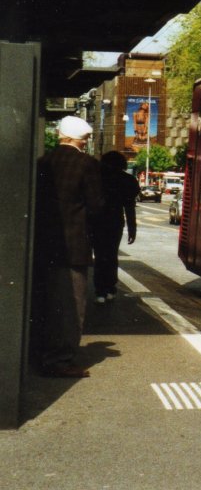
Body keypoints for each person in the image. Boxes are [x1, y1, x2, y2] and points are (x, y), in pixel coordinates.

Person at [34, 116, 104, 378]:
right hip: (73, 245)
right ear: (83, 139)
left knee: (47, 301)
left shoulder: (43, 162)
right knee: (72, 305)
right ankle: (60, 360)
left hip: (43, 244)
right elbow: (96, 205)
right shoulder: (87, 164)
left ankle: (42, 353)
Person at [93, 151, 139, 303]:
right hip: (115, 222)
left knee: (100, 255)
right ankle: (110, 288)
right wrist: (132, 228)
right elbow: (130, 208)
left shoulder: (97, 178)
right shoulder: (128, 181)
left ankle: (100, 291)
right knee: (112, 255)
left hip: (97, 221)